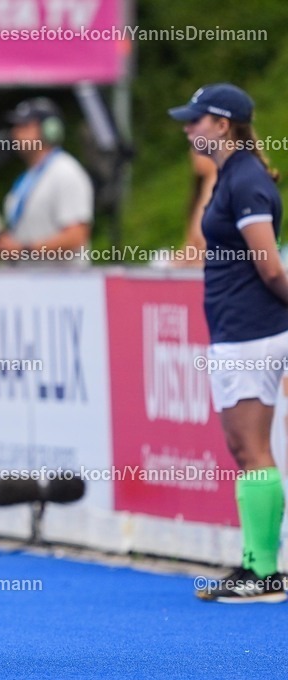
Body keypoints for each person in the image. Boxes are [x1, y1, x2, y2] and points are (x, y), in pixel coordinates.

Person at [169, 83, 287, 603]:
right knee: (248, 451)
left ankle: (263, 572)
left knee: (252, 451)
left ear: (223, 125)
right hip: (240, 331)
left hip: (251, 333)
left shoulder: (245, 180)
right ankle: (259, 566)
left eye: (196, 120)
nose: (188, 128)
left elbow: (271, 268)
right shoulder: (233, 175)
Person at [0, 97, 93, 262]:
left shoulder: (66, 172)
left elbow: (76, 236)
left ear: (50, 130)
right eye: (16, 127)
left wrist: (23, 250)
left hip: (59, 279)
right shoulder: (29, 177)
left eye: (24, 126)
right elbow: (15, 247)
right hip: (33, 277)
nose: (15, 133)